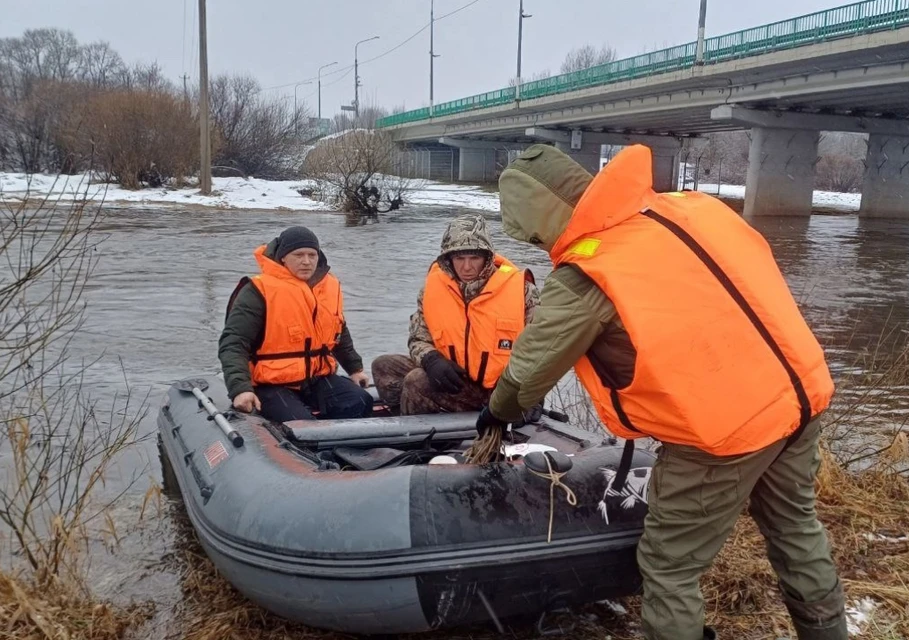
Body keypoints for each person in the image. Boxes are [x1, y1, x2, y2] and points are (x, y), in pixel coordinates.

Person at [476, 144, 847, 640]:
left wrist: (497, 412)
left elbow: (530, 369)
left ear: (540, 221)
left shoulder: (587, 273)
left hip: (725, 429)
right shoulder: (684, 208)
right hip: (800, 394)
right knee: (795, 529)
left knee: (669, 563)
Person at [371, 214, 540, 415]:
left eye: (474, 258)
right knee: (383, 366)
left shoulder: (523, 291)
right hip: (454, 377)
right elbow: (418, 339)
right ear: (448, 259)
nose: (466, 267)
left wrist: (530, 397)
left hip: (498, 391)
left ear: (487, 258)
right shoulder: (432, 289)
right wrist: (432, 360)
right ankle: (413, 413)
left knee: (416, 381)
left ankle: (416, 441)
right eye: (460, 258)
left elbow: (542, 349)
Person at [219, 226, 374, 422]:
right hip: (270, 383)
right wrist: (240, 388)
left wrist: (354, 368)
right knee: (300, 425)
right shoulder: (258, 291)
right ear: (283, 257)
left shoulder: (329, 287)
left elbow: (338, 330)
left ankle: (345, 450)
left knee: (359, 401)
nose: (306, 261)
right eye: (298, 255)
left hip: (316, 379)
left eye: (312, 255)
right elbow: (233, 343)